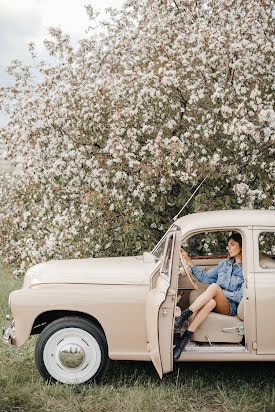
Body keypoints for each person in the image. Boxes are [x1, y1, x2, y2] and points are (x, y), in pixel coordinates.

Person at [173, 233, 244, 360]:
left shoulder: (245, 270)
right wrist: (189, 261)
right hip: (217, 302)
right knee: (210, 302)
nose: (229, 248)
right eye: (228, 245)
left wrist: (220, 293)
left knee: (214, 287)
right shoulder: (224, 264)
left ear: (242, 248)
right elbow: (205, 277)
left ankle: (184, 315)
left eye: (232, 245)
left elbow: (239, 297)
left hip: (230, 308)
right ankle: (184, 341)